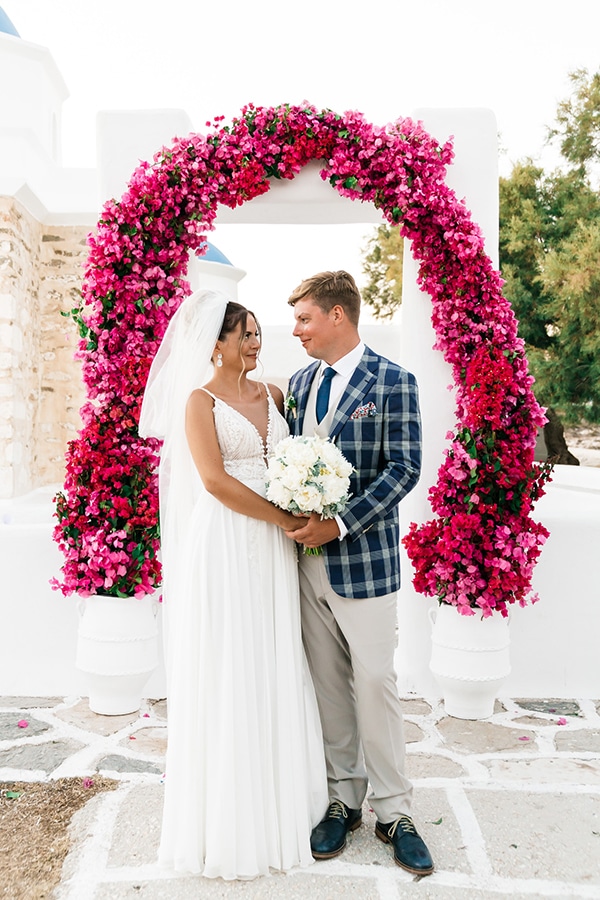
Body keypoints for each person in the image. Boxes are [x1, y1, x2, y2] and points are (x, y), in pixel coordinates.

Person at [139, 288, 327, 880]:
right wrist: (284, 519)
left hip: (276, 547)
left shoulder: (275, 394)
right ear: (214, 342)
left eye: (255, 331)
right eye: (243, 332)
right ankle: (230, 817)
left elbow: (296, 455)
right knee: (230, 663)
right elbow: (215, 482)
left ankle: (284, 802)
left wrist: (308, 498)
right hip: (227, 542)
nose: (254, 340)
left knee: (274, 657)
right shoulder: (198, 401)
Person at [284, 270, 434, 876]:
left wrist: (340, 523)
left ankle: (395, 811)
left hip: (363, 562)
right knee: (327, 686)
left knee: (375, 682)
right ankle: (344, 800)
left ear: (338, 316)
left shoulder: (393, 380)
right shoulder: (297, 383)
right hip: (303, 564)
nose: (296, 330)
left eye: (304, 318)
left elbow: (403, 469)